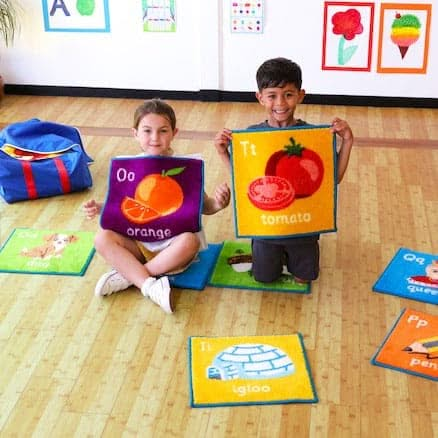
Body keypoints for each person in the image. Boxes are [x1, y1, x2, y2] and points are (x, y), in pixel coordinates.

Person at [214, 57, 353, 284]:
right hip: (266, 230)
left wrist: (347, 141)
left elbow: (333, 179)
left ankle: (293, 255)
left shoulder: (312, 136)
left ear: (301, 95)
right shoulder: (251, 136)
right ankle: (269, 253)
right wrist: (223, 153)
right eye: (272, 95)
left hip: (304, 229)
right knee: (264, 278)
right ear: (260, 98)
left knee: (303, 279)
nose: (281, 103)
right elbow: (246, 182)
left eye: (288, 94)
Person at [84, 99, 230, 313]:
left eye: (163, 131)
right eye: (147, 131)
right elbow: (126, 206)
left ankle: (131, 277)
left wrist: (218, 203)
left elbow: (204, 206)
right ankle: (149, 284)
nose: (155, 138)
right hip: (139, 246)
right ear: (135, 133)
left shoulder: (184, 167)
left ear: (174, 132)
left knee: (191, 240)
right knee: (102, 237)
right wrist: (100, 206)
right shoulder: (131, 166)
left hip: (173, 249)